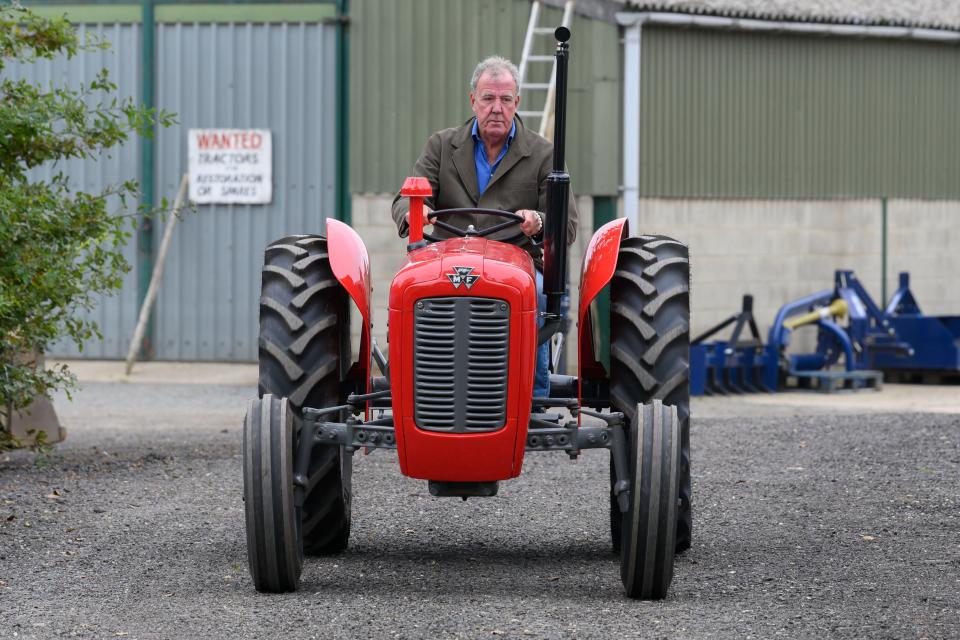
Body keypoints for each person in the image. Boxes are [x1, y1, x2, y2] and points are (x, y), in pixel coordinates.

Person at [391, 55, 578, 399]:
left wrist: (538, 223)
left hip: (515, 262)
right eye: (488, 98)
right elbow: (405, 198)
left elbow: (565, 226)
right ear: (472, 100)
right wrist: (414, 212)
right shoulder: (442, 146)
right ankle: (419, 392)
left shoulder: (543, 154)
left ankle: (532, 396)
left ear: (517, 102)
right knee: (409, 290)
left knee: (534, 292)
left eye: (505, 99)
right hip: (446, 258)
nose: (497, 108)